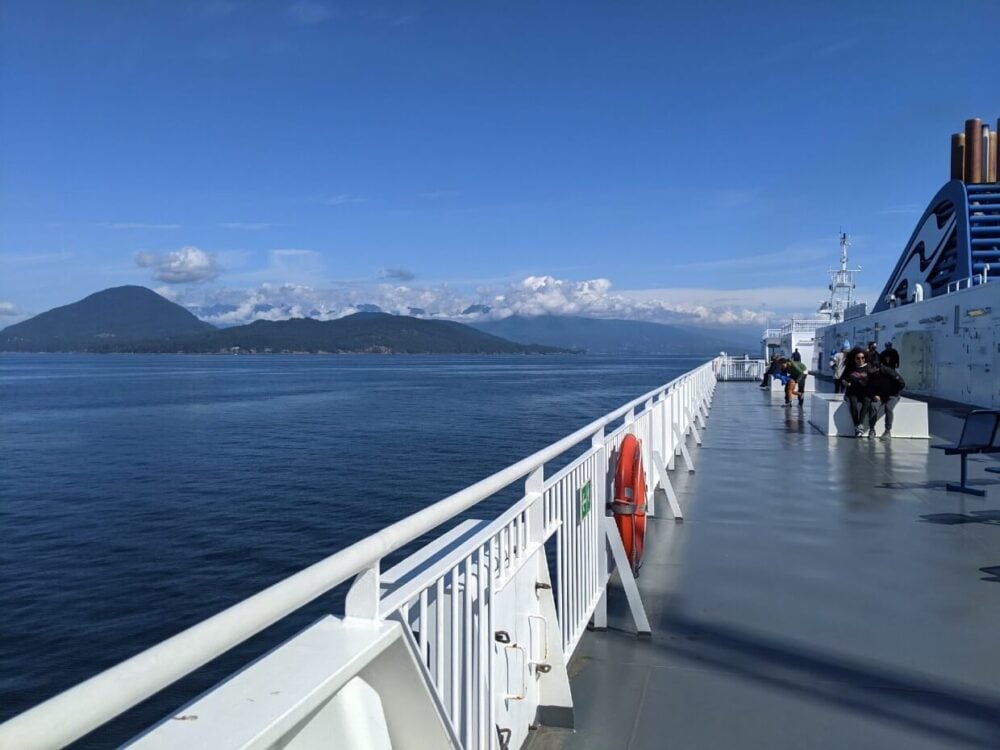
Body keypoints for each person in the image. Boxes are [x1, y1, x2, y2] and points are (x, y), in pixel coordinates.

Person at [840, 348, 874, 437]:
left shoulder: (869, 368)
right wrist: (845, 383)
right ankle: (857, 425)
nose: (860, 360)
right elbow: (843, 379)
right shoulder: (850, 368)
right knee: (853, 403)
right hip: (852, 392)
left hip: (864, 392)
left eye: (862, 358)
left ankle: (860, 424)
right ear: (854, 359)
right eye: (858, 358)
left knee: (867, 401)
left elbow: (874, 381)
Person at [869, 365, 906, 440]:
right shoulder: (872, 375)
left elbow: (902, 383)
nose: (868, 369)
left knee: (888, 408)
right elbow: (870, 387)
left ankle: (887, 431)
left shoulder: (888, 372)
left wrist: (893, 392)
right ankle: (872, 429)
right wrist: (874, 395)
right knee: (873, 406)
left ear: (875, 367)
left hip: (892, 395)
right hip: (880, 395)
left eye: (870, 367)